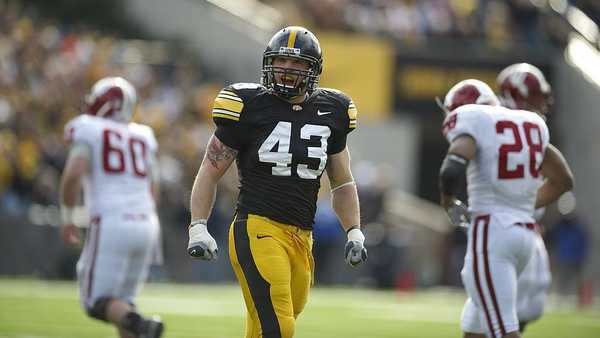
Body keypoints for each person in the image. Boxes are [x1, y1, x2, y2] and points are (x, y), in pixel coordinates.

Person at [186, 26, 367, 338]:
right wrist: (198, 225)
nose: (288, 69)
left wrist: (355, 231)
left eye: (298, 64)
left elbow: (342, 181)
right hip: (258, 227)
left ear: (314, 70)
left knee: (265, 326)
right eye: (282, 61)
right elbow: (210, 169)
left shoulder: (332, 110)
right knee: (279, 327)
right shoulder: (249, 105)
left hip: (302, 236)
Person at [438, 79, 574, 338]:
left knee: (503, 330)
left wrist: (448, 203)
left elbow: (451, 170)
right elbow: (564, 180)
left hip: (492, 233)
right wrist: (519, 203)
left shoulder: (473, 121)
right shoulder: (528, 123)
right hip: (524, 233)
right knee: (475, 328)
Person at [59, 77, 164, 338]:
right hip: (147, 222)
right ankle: (137, 323)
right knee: (122, 302)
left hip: (111, 221)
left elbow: (73, 175)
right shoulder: (142, 135)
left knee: (95, 302)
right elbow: (154, 187)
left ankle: (143, 325)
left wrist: (68, 216)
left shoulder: (90, 128)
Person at [496, 63, 557, 333]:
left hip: (519, 227)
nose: (542, 103)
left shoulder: (523, 129)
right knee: (504, 319)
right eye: (535, 95)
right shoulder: (524, 131)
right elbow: (563, 180)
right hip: (511, 227)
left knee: (513, 317)